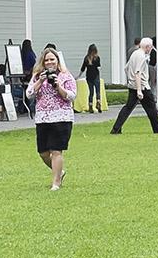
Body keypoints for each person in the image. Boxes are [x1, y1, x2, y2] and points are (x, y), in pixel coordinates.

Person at [28, 47, 76, 190]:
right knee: (43, 152)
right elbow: (29, 94)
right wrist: (40, 81)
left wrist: (58, 86)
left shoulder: (65, 75)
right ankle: (59, 171)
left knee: (56, 150)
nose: (49, 62)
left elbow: (72, 95)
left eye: (52, 59)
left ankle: (56, 182)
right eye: (47, 60)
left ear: (57, 61)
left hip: (62, 117)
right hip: (43, 118)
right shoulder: (37, 76)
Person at [111, 38, 158, 134]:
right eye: (151, 47)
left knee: (128, 107)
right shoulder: (141, 56)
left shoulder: (134, 54)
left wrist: (130, 80)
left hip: (132, 85)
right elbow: (137, 72)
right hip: (142, 86)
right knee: (151, 107)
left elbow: (126, 68)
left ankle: (116, 129)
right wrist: (139, 90)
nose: (151, 49)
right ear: (148, 47)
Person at [78, 44, 103, 114]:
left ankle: (90, 106)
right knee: (98, 91)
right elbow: (99, 68)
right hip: (96, 76)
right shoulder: (97, 58)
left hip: (89, 77)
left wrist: (78, 76)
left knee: (91, 92)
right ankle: (98, 102)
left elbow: (83, 68)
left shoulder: (86, 58)